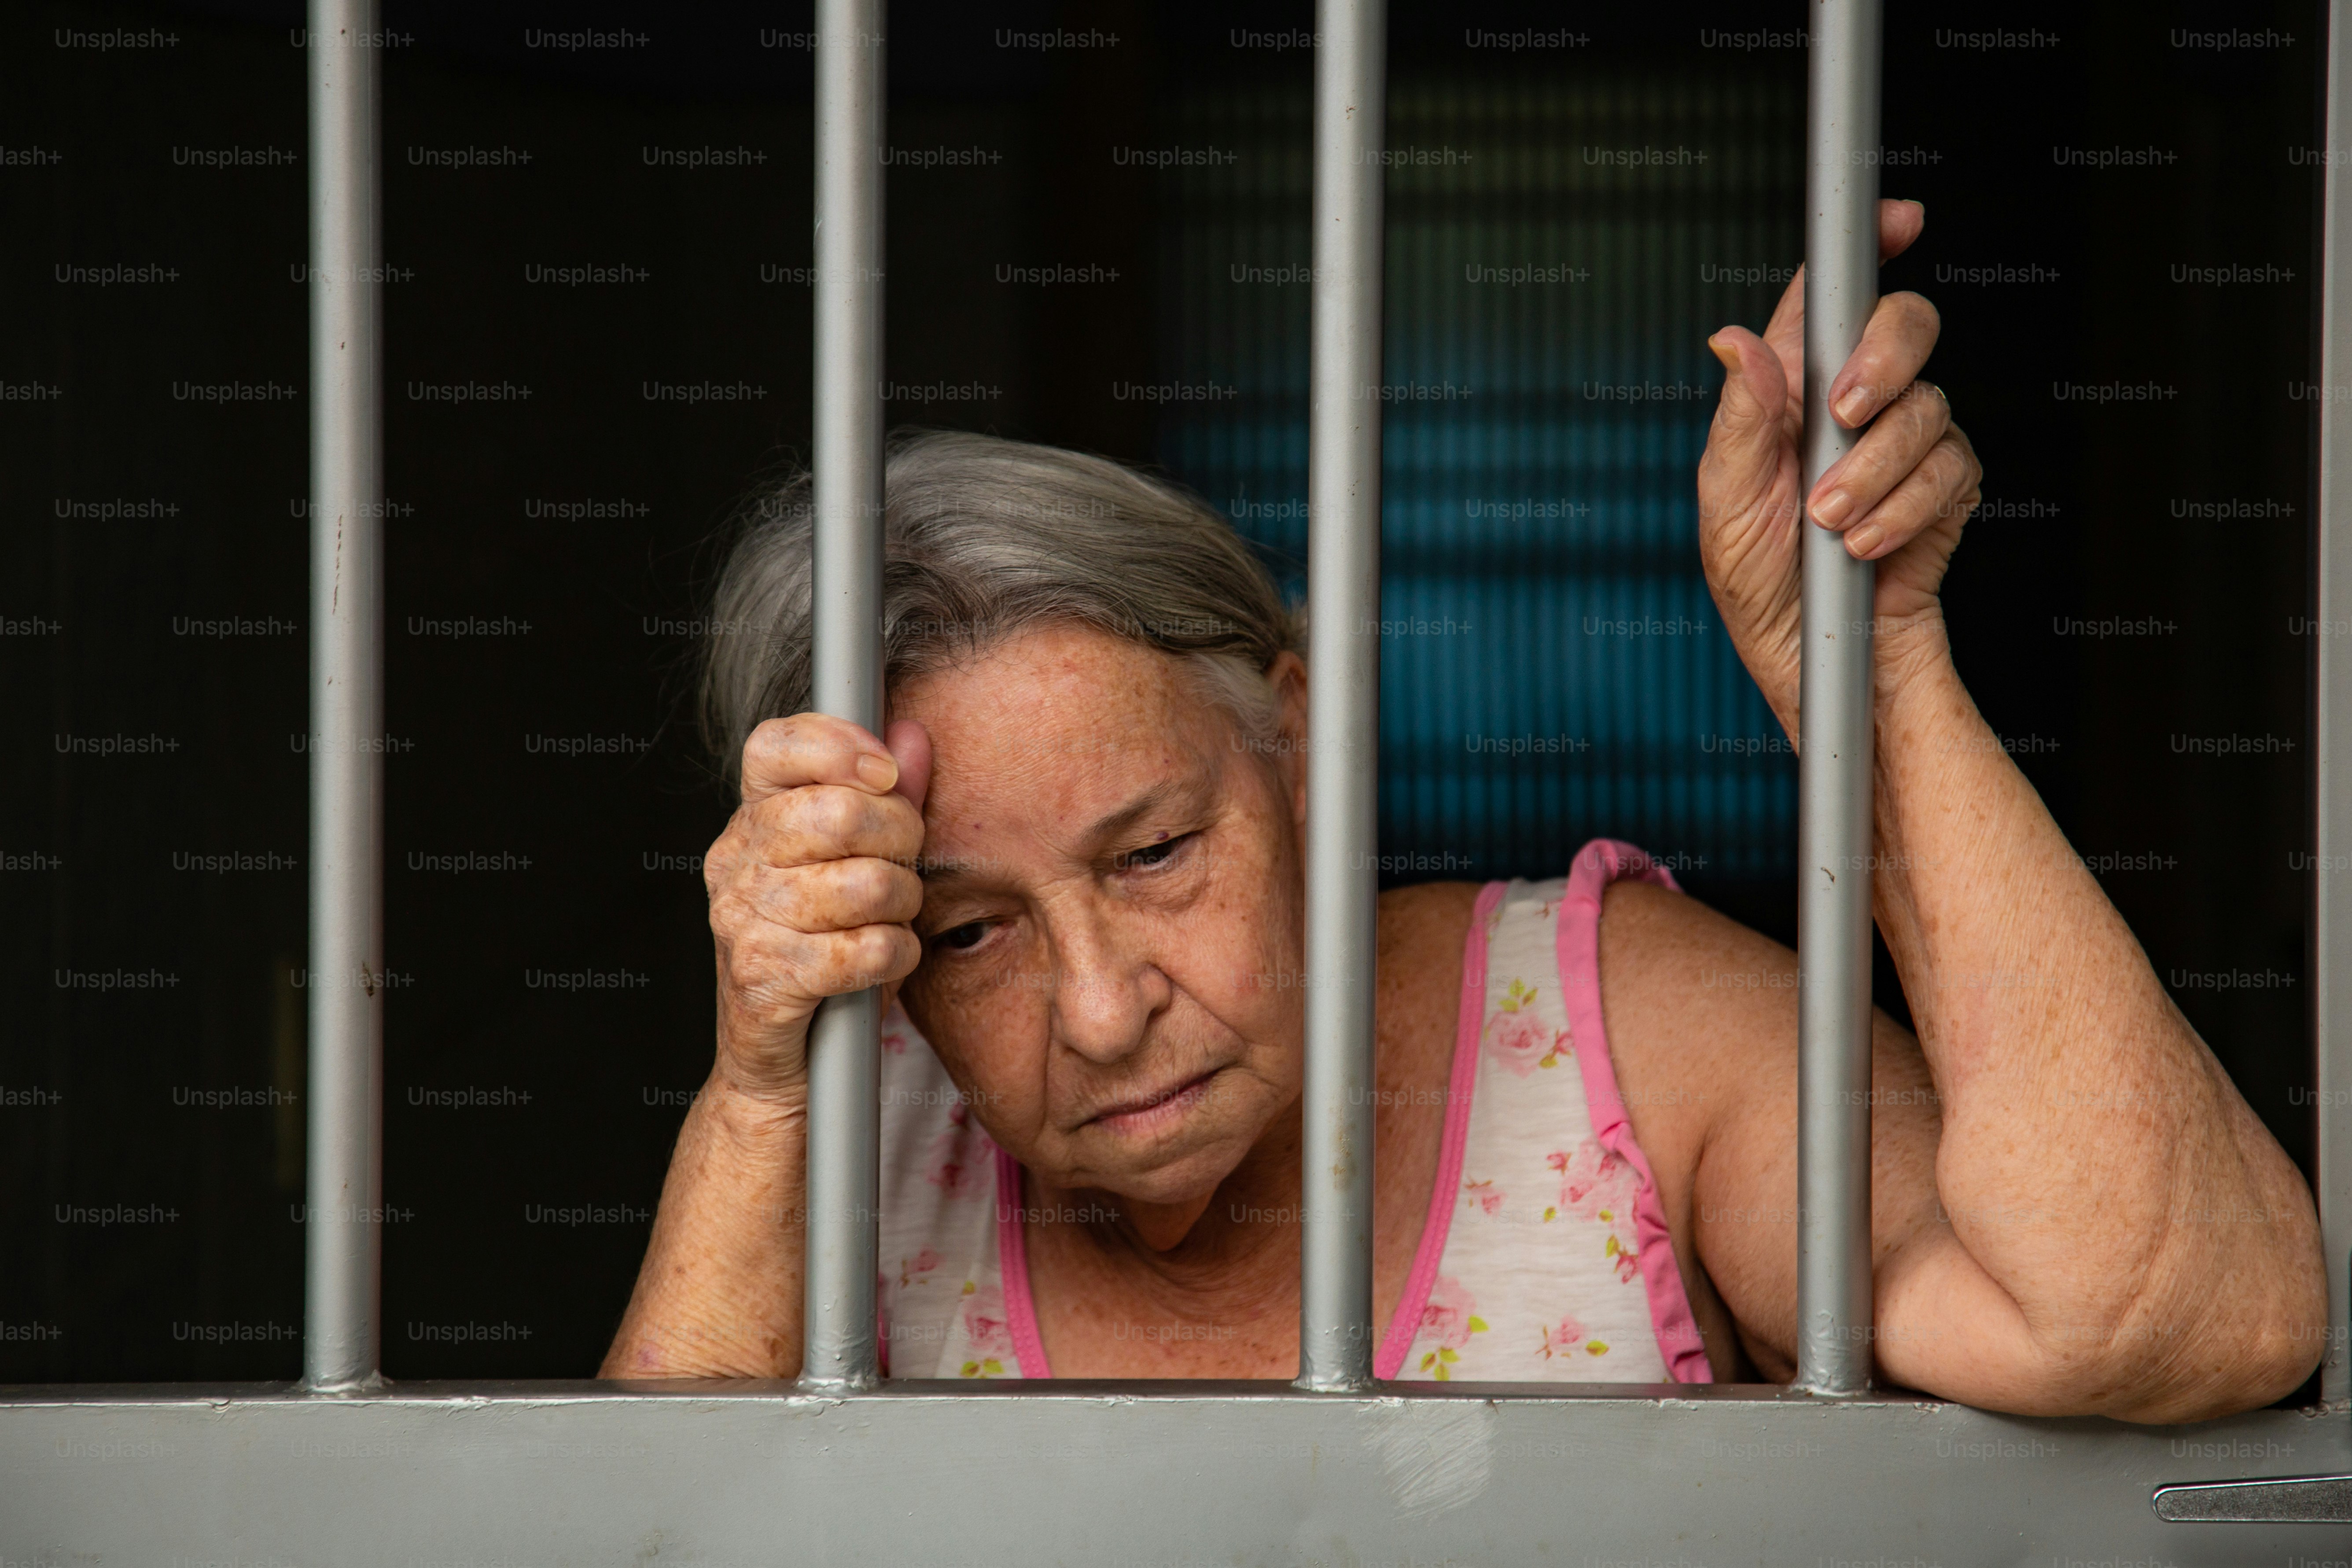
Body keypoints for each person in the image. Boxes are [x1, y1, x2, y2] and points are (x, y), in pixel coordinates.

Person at [602, 203, 2324, 1417]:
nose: (1107, 1011)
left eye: (1154, 851)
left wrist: (1873, 684)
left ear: (1292, 736)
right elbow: (628, 1546)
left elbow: (2173, 1319)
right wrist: (762, 1098)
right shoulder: (856, 1122)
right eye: (970, 929)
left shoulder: (1614, 1036)